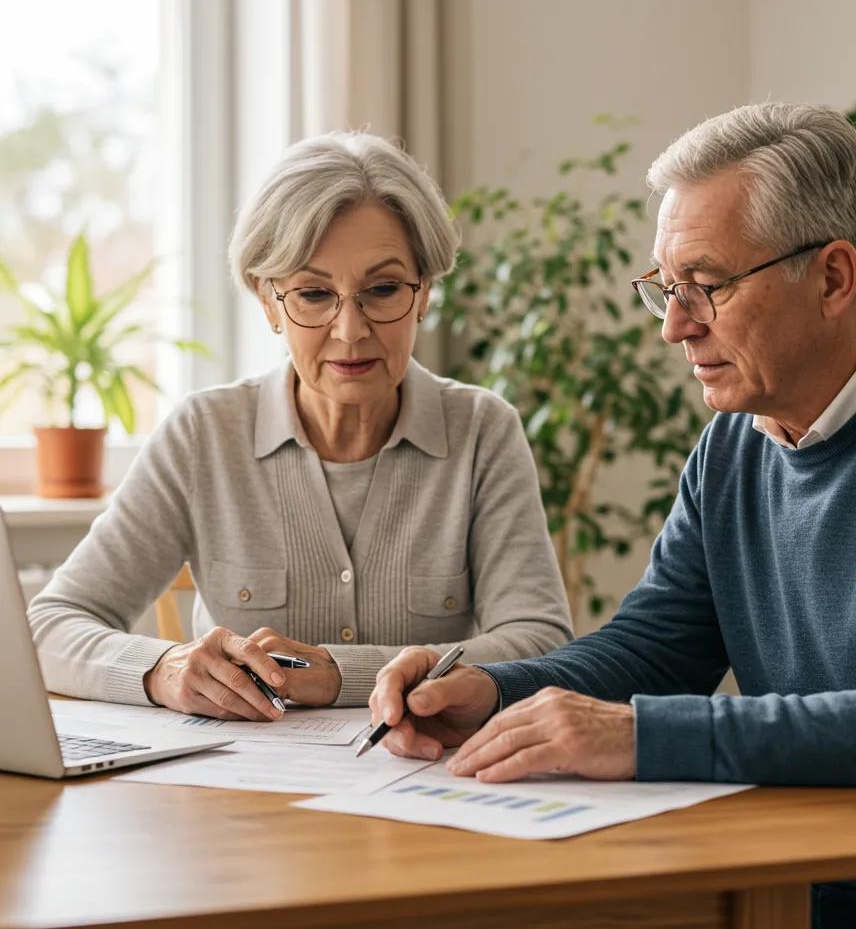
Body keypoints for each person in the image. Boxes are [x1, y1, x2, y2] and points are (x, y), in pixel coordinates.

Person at [368, 103, 856, 929]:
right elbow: (653, 646)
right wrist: (493, 690)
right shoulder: (735, 446)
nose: (675, 326)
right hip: (785, 890)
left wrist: (638, 735)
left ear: (833, 276)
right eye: (665, 285)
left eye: (706, 285)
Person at [28, 131, 571, 722]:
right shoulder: (204, 433)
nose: (349, 330)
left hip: (419, 783)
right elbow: (50, 626)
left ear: (425, 295)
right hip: (238, 797)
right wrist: (164, 670)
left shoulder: (482, 431)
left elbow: (539, 641)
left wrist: (342, 674)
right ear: (268, 303)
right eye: (314, 294)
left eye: (383, 289)